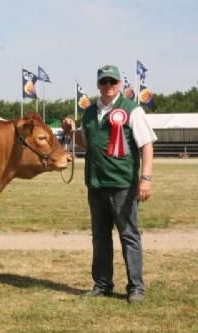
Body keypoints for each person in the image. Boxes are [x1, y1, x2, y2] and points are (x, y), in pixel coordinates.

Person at [62, 65, 157, 304]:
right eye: (104, 82)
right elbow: (86, 142)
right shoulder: (90, 112)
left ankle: (136, 287)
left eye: (112, 82)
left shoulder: (132, 111)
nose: (108, 86)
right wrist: (70, 133)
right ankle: (102, 284)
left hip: (123, 184)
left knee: (129, 236)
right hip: (96, 185)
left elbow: (146, 145)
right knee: (100, 237)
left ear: (120, 84)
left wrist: (145, 179)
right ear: (98, 84)